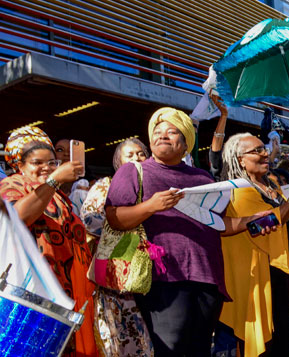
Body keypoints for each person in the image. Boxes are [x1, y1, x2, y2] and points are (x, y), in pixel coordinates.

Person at [105, 107, 266, 356]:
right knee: (171, 347)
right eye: (157, 132)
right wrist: (151, 206)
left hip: (207, 278)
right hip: (163, 278)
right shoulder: (134, 171)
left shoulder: (203, 179)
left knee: (199, 349)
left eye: (171, 131)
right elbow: (114, 218)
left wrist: (251, 221)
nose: (162, 136)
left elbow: (218, 225)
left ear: (186, 144)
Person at [0, 126, 97, 356]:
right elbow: (18, 217)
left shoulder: (60, 197)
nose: (47, 168)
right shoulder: (11, 185)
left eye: (53, 163)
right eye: (37, 162)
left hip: (65, 295)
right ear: (19, 165)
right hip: (31, 294)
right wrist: (53, 180)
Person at [218, 132, 289, 356]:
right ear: (240, 159)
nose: (265, 154)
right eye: (257, 151)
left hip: (280, 273)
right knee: (266, 345)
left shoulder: (272, 186)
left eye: (264, 149)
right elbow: (268, 221)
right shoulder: (239, 191)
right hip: (258, 277)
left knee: (283, 340)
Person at [80, 138, 153, 356]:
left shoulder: (154, 185)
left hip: (150, 273)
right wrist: (126, 226)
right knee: (117, 334)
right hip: (117, 272)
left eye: (140, 154)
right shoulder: (106, 184)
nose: (136, 159)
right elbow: (90, 219)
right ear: (117, 161)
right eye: (129, 155)